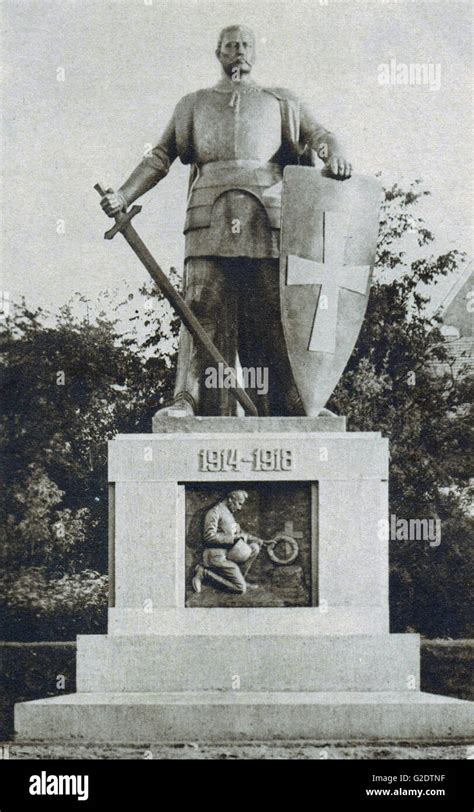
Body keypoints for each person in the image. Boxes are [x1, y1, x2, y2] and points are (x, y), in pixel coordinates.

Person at [100, 24, 352, 416]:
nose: (239, 51)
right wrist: (123, 194)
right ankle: (186, 399)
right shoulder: (193, 104)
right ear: (218, 53)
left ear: (255, 52)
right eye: (231, 45)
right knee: (200, 306)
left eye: (246, 44)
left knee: (276, 310)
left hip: (268, 215)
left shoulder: (282, 101)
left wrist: (333, 154)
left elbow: (320, 134)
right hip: (207, 213)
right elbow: (160, 156)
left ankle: (299, 402)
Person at [192, 490, 263, 595]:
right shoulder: (214, 512)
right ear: (230, 499)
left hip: (228, 553)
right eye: (239, 503)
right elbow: (209, 536)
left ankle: (240, 579)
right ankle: (204, 573)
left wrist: (257, 539)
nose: (240, 508)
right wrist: (232, 538)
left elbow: (239, 533)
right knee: (240, 589)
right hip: (215, 555)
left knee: (254, 547)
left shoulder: (228, 513)